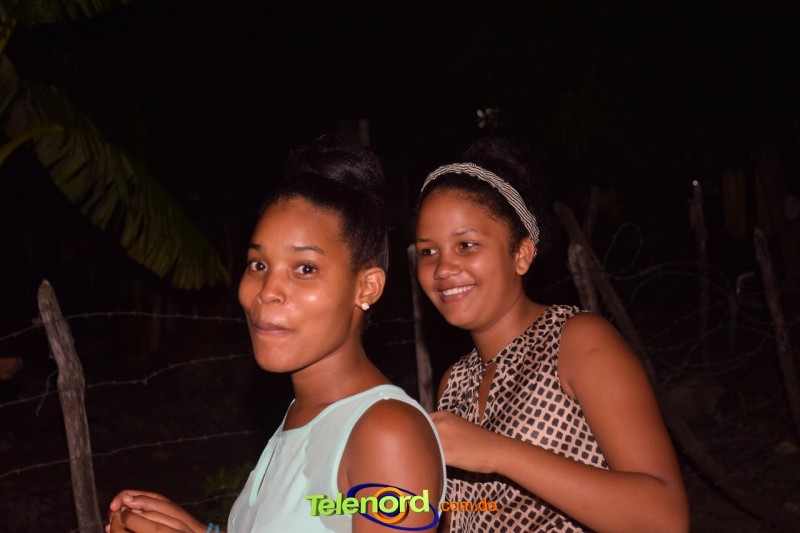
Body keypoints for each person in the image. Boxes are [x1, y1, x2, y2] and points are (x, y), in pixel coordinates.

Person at [107, 137, 446, 533]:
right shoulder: (304, 411)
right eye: (258, 264)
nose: (267, 290)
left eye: (305, 268)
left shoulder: (388, 435)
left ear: (366, 287)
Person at [414, 138, 689, 532]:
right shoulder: (454, 383)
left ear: (521, 255)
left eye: (467, 245)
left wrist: (497, 453)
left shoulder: (576, 342)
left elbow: (664, 518)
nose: (442, 268)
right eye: (428, 251)